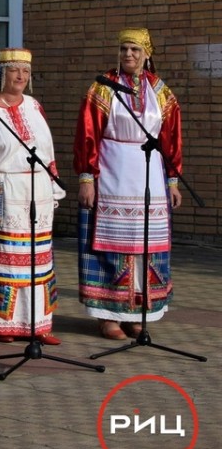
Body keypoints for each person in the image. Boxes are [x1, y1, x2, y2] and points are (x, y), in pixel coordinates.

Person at [75, 28, 183, 340]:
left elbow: (171, 139)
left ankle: (137, 311)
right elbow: (87, 135)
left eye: (135, 50)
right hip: (112, 171)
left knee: (144, 247)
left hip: (149, 173)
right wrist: (86, 178)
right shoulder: (103, 88)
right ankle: (108, 315)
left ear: (147, 53)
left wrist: (173, 181)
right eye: (124, 49)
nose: (128, 55)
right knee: (112, 245)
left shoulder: (161, 91)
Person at [0, 48, 65, 344]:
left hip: (38, 192)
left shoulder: (34, 106)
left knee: (39, 260)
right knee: (6, 260)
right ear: (1, 74)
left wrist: (53, 188)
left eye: (25, 71)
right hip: (4, 192)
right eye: (14, 70)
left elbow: (48, 151)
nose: (20, 76)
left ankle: (39, 323)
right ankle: (3, 324)